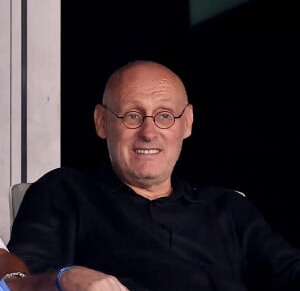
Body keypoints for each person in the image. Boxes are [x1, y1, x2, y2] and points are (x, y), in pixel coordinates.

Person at [6, 60, 300, 290]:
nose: (149, 133)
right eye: (132, 116)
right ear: (102, 122)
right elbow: (20, 281)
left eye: (164, 116)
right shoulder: (65, 191)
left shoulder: (229, 207)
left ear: (187, 123)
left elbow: (288, 272)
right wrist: (65, 277)